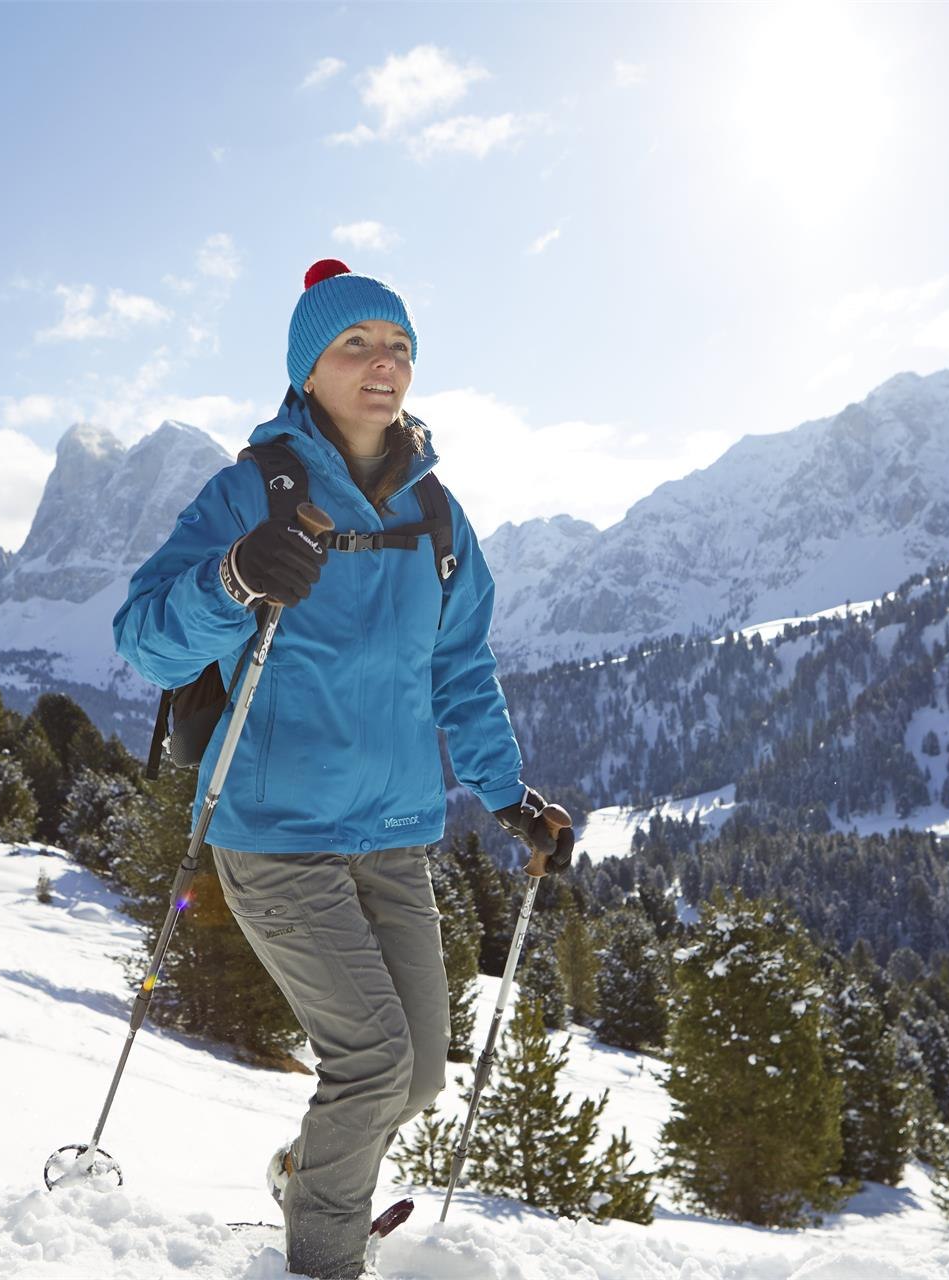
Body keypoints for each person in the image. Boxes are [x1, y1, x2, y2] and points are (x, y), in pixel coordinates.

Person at [113, 258, 574, 1279]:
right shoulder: (249, 490)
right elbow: (146, 639)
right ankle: (322, 1261)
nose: (384, 364)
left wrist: (506, 795)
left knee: (412, 1076)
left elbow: (459, 665)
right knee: (369, 1066)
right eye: (355, 344)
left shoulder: (440, 516)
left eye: (399, 346)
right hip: (274, 831)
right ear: (307, 368)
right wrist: (234, 574)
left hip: (393, 831)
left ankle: (303, 1172)